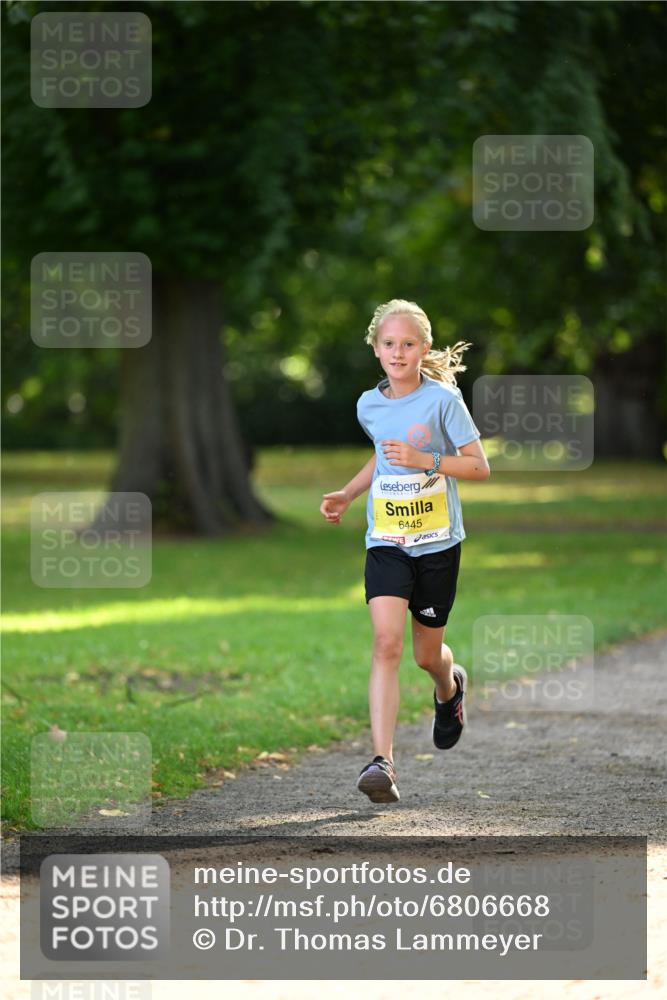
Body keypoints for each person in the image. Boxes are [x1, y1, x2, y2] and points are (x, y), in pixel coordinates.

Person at [320, 299, 490, 803]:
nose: (398, 352)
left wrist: (426, 459)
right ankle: (383, 764)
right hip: (387, 542)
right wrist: (349, 494)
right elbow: (382, 458)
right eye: (389, 343)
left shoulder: (443, 402)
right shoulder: (367, 405)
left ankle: (450, 688)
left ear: (424, 349)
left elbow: (479, 467)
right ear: (376, 349)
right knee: (386, 644)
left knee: (425, 655)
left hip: (437, 544)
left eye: (408, 344)